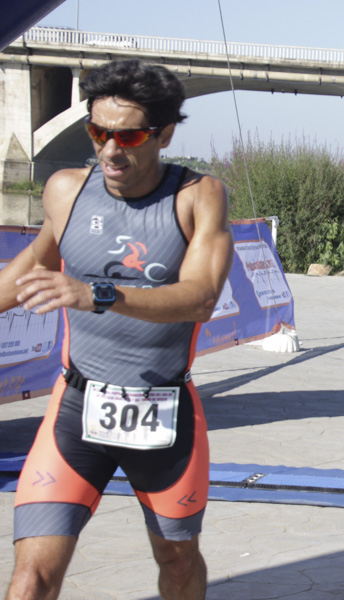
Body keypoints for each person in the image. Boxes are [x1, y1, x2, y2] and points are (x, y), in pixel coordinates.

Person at [1, 59, 232, 600]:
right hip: (78, 408)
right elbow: (31, 270)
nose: (109, 149)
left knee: (176, 561)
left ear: (165, 132)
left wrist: (97, 293)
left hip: (161, 413)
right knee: (29, 577)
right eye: (98, 131)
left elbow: (199, 298)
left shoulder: (199, 196)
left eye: (127, 134)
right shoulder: (65, 189)